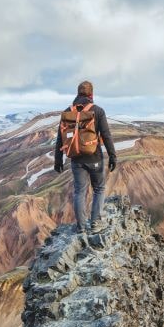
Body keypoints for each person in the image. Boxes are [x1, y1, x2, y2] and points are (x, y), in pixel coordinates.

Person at [54, 80, 117, 232]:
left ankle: (81, 227)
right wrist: (112, 156)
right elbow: (106, 135)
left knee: (79, 192)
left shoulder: (68, 112)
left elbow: (60, 138)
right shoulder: (98, 111)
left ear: (77, 93)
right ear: (91, 94)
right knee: (99, 189)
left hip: (76, 159)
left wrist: (58, 160)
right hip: (95, 158)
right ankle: (95, 223)